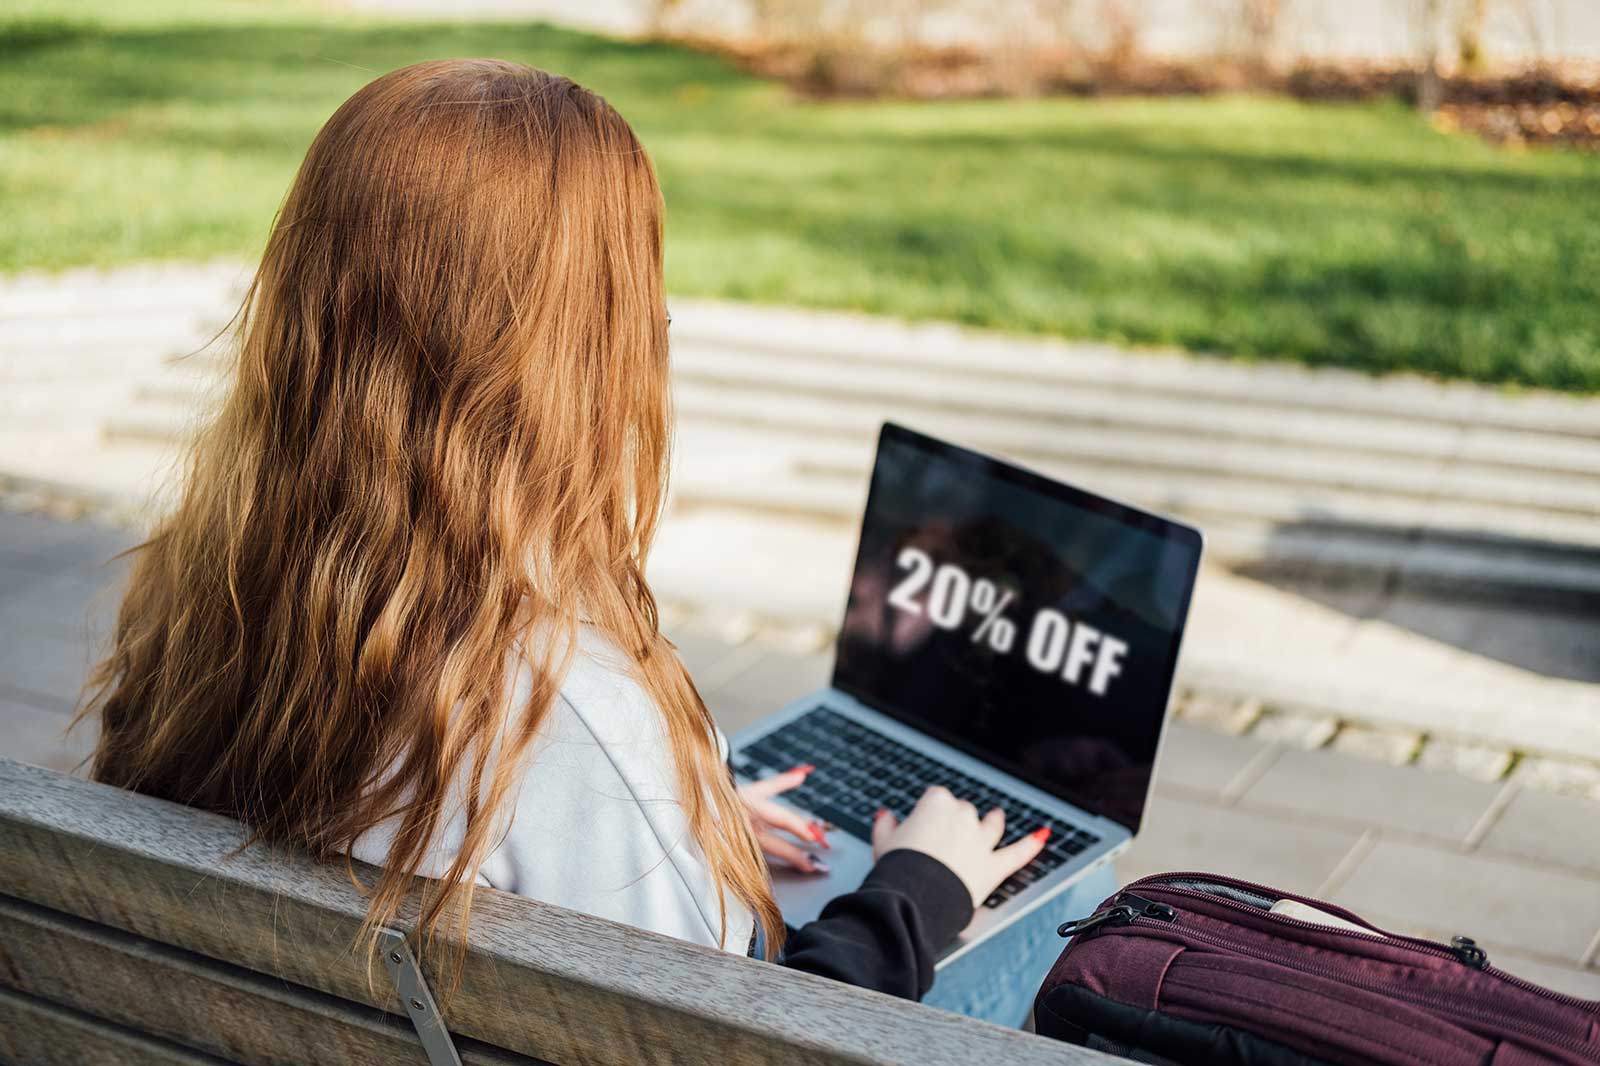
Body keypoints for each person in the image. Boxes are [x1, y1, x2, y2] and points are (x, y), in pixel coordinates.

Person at [77, 59, 1108, 1024]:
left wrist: (679, 821)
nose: (656, 311)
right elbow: (746, 1041)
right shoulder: (555, 705)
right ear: (577, 347)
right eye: (632, 282)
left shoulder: (214, 578)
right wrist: (916, 893)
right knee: (1066, 902)